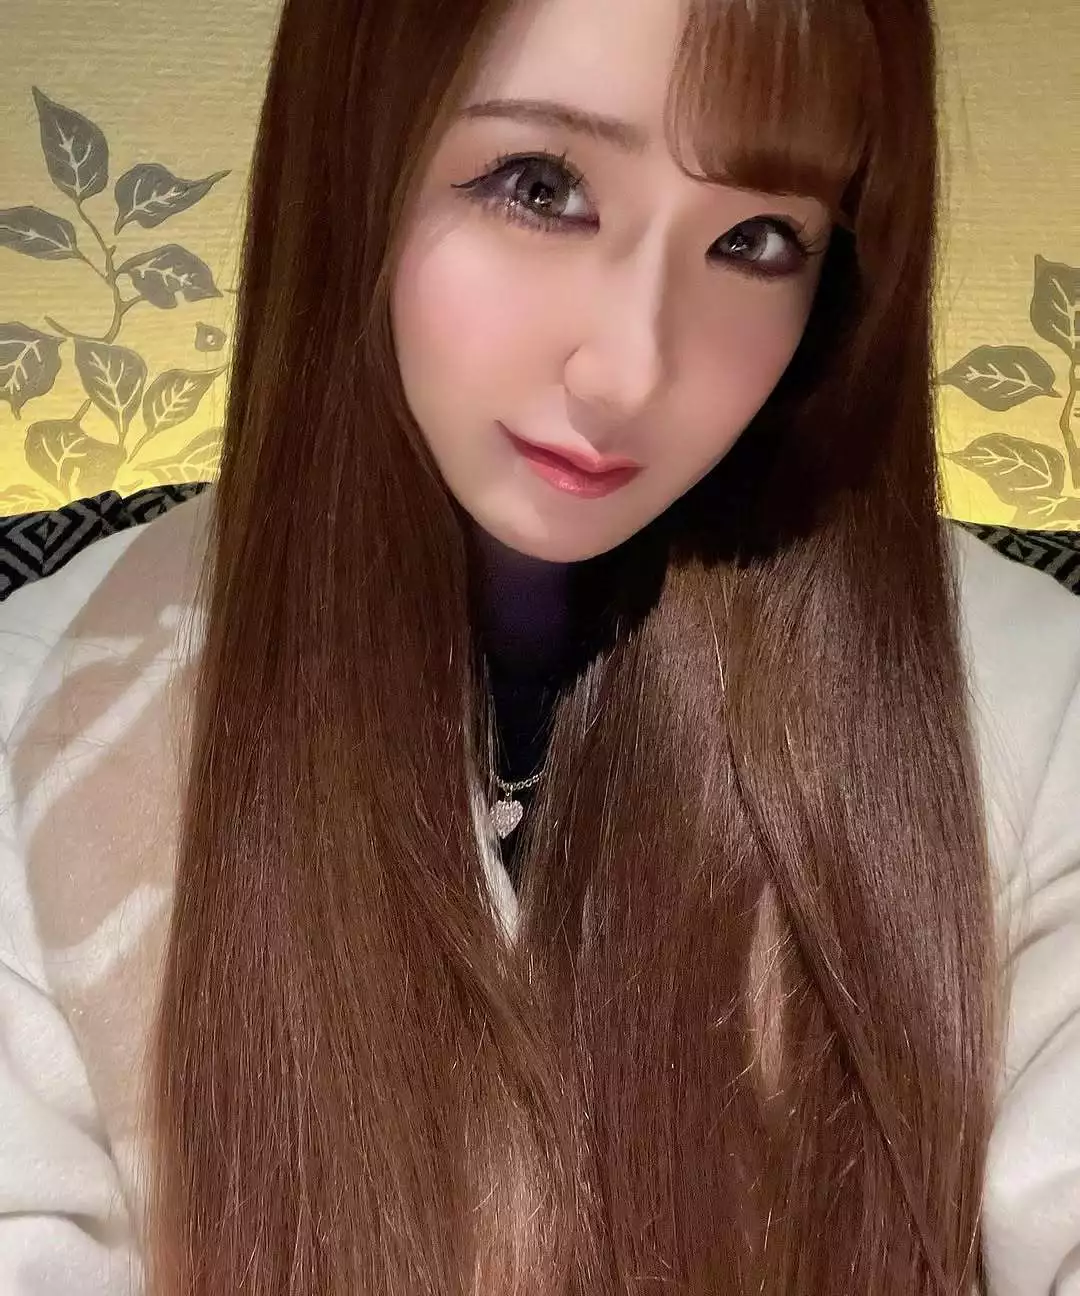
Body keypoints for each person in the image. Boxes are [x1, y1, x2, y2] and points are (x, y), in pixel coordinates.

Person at [1, 0, 1078, 1291]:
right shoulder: (48, 719)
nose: (629, 371)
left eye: (755, 239)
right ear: (359, 155)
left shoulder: (1024, 705)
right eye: (540, 186)